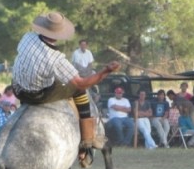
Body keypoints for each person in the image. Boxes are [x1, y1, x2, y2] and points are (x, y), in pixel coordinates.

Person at [11, 11, 120, 154]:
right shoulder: (56, 59)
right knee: (79, 90)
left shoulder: (27, 37)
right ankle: (88, 138)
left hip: (17, 88)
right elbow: (81, 83)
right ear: (59, 34)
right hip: (37, 95)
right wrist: (106, 71)